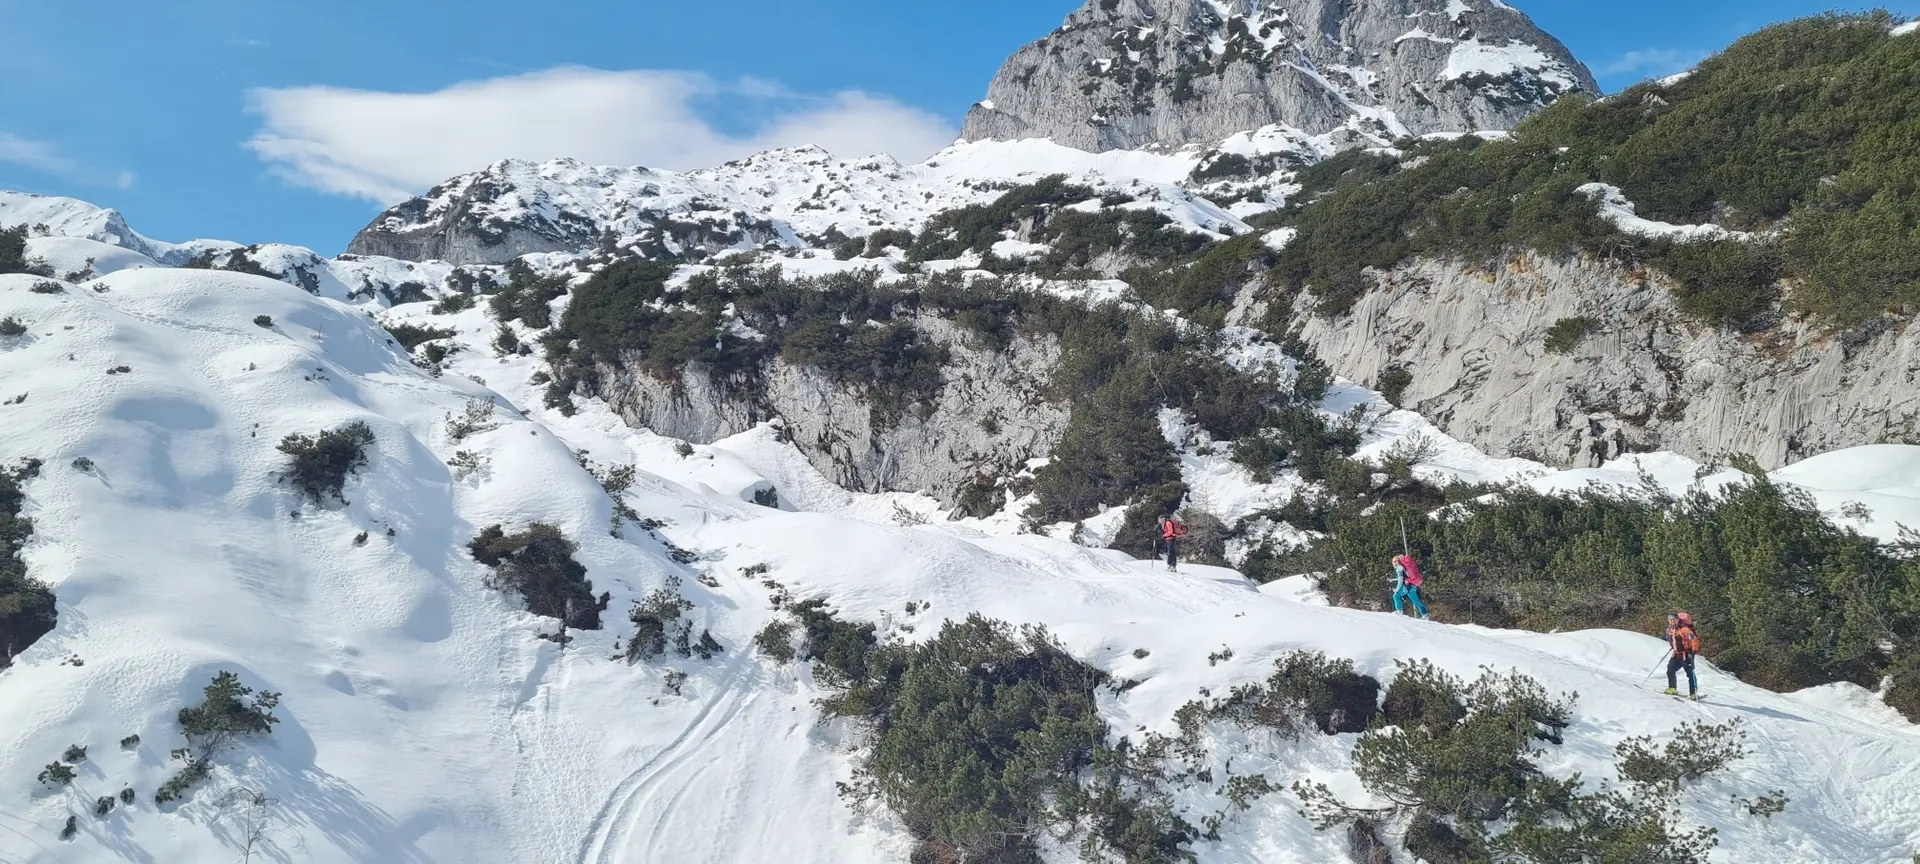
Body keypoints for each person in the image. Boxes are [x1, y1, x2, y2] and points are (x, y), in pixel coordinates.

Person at [1665, 611, 1701, 699]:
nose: (1672, 622)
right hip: (1676, 654)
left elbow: (1694, 640)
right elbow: (1669, 639)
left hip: (1686, 654)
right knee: (1670, 670)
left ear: (1678, 620)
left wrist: (1693, 650)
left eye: (1674, 620)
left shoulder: (1684, 629)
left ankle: (1693, 693)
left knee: (1690, 673)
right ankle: (1672, 688)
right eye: (1670, 620)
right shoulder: (1669, 629)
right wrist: (1673, 646)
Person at [1391, 554, 1428, 619]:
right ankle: (1425, 615)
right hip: (1412, 585)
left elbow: (1400, 580)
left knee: (1396, 596)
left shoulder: (1399, 567)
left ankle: (1399, 611)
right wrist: (1393, 580)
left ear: (1398, 561)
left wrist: (1397, 589)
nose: (1393, 563)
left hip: (1407, 587)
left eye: (1394, 561)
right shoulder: (1404, 566)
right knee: (1416, 601)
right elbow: (1403, 577)